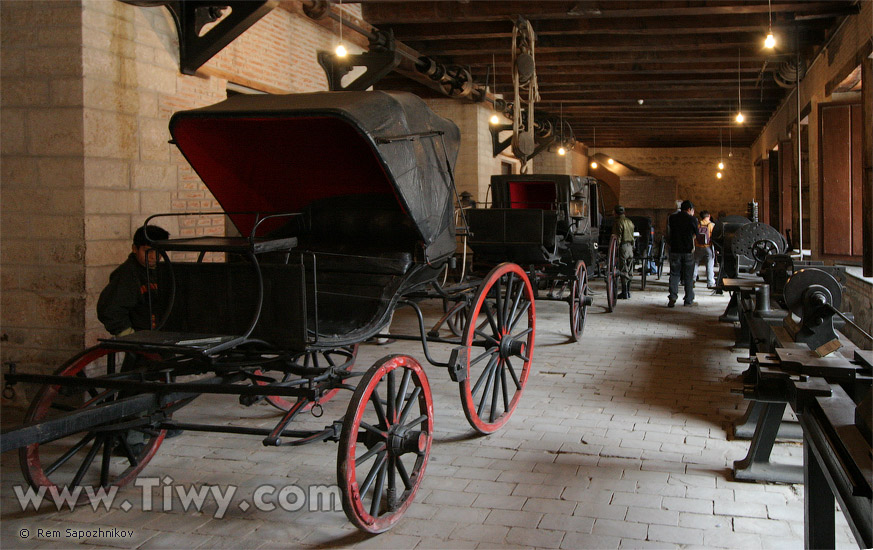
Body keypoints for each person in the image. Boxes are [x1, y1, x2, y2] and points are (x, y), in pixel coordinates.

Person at [97, 225, 169, 337]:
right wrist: (130, 336)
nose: (153, 256)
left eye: (158, 251)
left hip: (159, 337)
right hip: (142, 343)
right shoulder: (128, 274)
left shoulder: (162, 271)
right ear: (135, 248)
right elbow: (109, 310)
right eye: (147, 251)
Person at [666, 200, 698, 307]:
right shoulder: (692, 219)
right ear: (689, 209)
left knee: (674, 274)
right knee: (688, 276)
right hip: (687, 251)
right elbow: (696, 234)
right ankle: (688, 299)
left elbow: (669, 231)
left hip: (675, 250)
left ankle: (673, 297)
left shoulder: (672, 218)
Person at [612, 205, 635, 299]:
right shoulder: (629, 222)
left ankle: (624, 292)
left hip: (623, 247)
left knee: (623, 269)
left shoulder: (618, 222)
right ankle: (628, 292)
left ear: (616, 213)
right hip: (630, 247)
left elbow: (617, 237)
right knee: (630, 269)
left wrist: (615, 248)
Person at [694, 210, 716, 288]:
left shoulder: (698, 225)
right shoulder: (711, 225)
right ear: (709, 216)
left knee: (695, 264)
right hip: (708, 247)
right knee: (709, 265)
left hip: (698, 246)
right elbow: (714, 237)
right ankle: (710, 282)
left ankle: (692, 280)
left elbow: (694, 235)